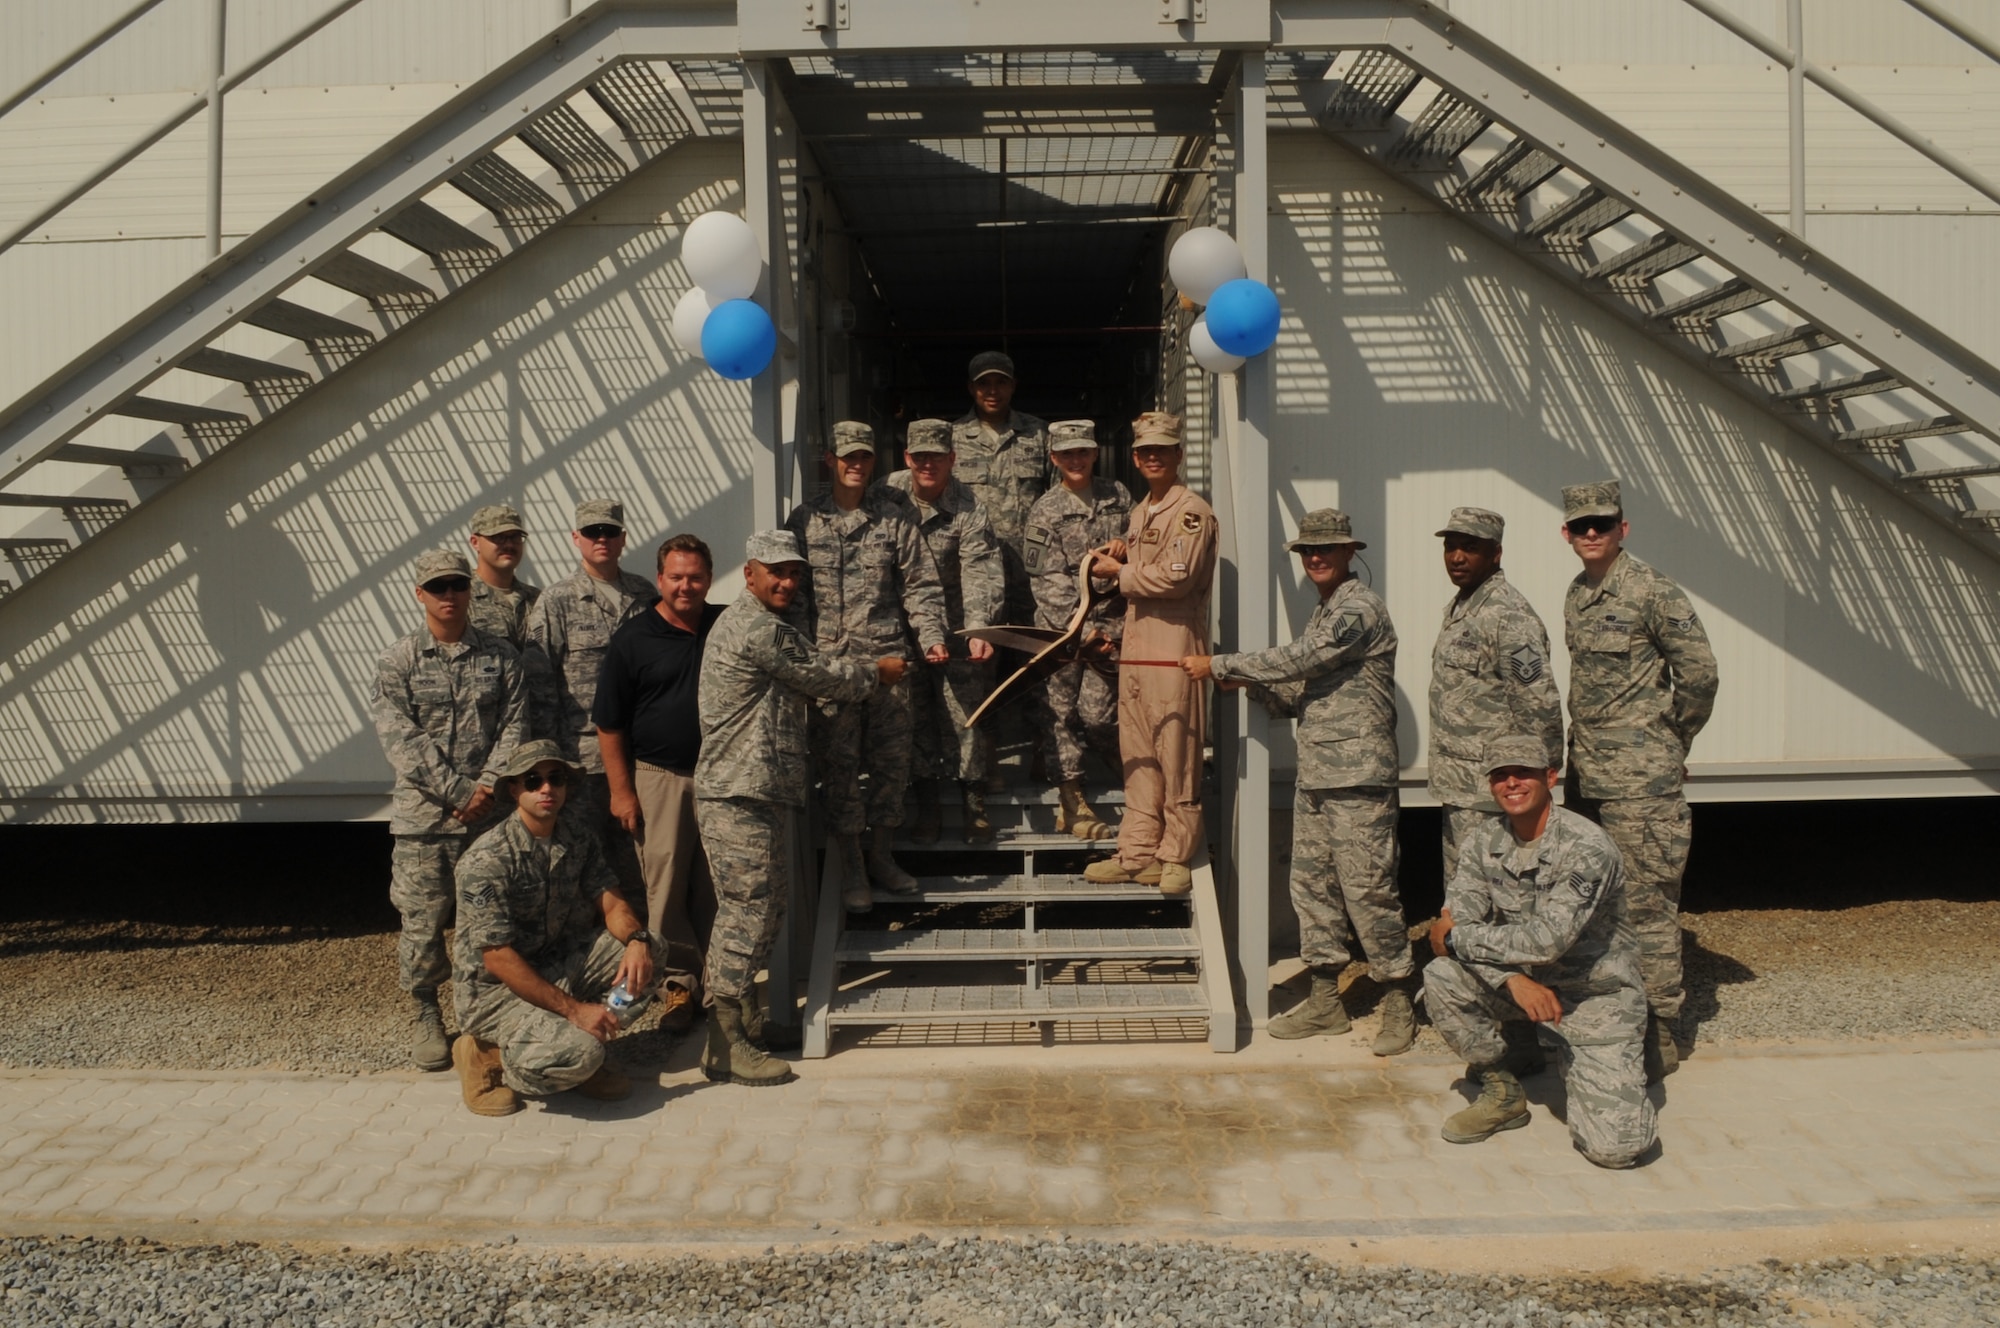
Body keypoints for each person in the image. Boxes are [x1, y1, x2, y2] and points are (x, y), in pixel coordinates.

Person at [1184, 509, 1415, 1054]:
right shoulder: (1324, 611)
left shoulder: (1357, 610)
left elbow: (1303, 659)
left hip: (1358, 777)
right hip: (1318, 775)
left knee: (1368, 890)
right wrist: (1246, 684)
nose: (1316, 558)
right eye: (1308, 552)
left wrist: (1220, 664)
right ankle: (1325, 1001)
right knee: (1312, 890)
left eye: (1326, 550)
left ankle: (1400, 996)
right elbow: (1304, 692)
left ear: (1348, 553)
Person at [696, 530, 904, 1085]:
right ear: (750, 574)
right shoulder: (759, 628)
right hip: (739, 791)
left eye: (794, 574)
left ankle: (742, 1022)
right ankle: (723, 1040)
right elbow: (823, 675)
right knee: (746, 912)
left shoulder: (769, 626)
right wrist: (876, 675)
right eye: (776, 572)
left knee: (765, 910)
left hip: (758, 789)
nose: (786, 582)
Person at [1424, 735, 1657, 1170]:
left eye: (1523, 773)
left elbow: (1545, 940)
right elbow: (1457, 930)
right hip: (1524, 987)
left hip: (1594, 996)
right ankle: (1504, 1088)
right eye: (1499, 776)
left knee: (1617, 1151)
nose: (1510, 783)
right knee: (1441, 977)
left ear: (1550, 777)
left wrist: (1457, 939)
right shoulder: (1481, 843)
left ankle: (1609, 1053)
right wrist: (1512, 979)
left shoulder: (1587, 846)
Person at [1559, 480, 1719, 1081]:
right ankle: (1608, 1010)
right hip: (1588, 778)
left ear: (1624, 528)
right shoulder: (1578, 593)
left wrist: (1674, 739)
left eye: (1602, 523)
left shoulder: (1652, 590)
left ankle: (1659, 1028)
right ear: (1567, 534)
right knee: (1594, 904)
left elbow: (1700, 673)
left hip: (1641, 786)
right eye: (1581, 526)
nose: (1591, 533)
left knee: (1648, 908)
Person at [448, 739, 669, 1117]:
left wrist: (636, 939)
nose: (546, 788)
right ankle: (486, 1053)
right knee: (578, 1055)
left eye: (556, 778)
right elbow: (498, 958)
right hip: (495, 994)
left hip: (554, 965)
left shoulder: (576, 837)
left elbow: (612, 902)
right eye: (532, 780)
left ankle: (585, 1045)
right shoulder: (486, 860)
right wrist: (574, 1011)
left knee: (654, 949)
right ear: (515, 790)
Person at [369, 548, 529, 1071]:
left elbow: (514, 727)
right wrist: (459, 792)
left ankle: (483, 1012)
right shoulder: (398, 661)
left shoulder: (501, 656)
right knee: (424, 922)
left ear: (469, 591)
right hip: (426, 823)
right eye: (438, 587)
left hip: (489, 818)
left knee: (488, 920)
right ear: (420, 594)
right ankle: (425, 1011)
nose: (449, 595)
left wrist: (485, 787)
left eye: (457, 585)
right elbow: (401, 739)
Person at [783, 422, 949, 912]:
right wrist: (801, 661)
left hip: (889, 662)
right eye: (846, 457)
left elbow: (920, 585)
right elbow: (793, 598)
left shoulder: (894, 518)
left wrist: (932, 636)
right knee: (839, 768)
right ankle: (852, 865)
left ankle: (881, 856)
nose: (855, 465)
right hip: (830, 669)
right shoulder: (804, 521)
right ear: (830, 460)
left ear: (873, 462)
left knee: (890, 765)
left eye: (863, 458)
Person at [1081, 412, 1218, 898]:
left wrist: (1119, 572)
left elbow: (1176, 579)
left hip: (1174, 642)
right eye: (1144, 451)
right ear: (1136, 458)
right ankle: (1137, 850)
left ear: (1179, 454)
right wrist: (1125, 554)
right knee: (1137, 751)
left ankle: (1175, 854)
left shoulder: (1190, 511)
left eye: (1163, 448)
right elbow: (1147, 568)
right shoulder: (1142, 511)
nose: (1153, 456)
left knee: (1176, 750)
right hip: (1138, 644)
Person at [593, 533, 724, 1034]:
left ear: (709, 579)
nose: (685, 586)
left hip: (720, 779)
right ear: (660, 579)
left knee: (715, 885)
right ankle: (678, 987)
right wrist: (622, 791)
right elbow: (610, 724)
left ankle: (720, 990)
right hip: (660, 778)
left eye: (695, 577)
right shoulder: (633, 639)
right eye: (676, 577)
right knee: (665, 888)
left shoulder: (725, 625)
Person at [525, 499, 657, 905]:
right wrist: (549, 764)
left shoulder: (645, 595)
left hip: (643, 754)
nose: (602, 539)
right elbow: (539, 684)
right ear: (575, 538)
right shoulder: (556, 601)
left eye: (610, 531)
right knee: (582, 861)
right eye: (593, 532)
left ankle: (640, 949)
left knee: (640, 861)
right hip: (580, 760)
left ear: (623, 539)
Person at [881, 418, 1005, 843]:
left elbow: (980, 569)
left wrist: (978, 628)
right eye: (919, 457)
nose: (927, 465)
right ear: (907, 458)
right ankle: (927, 805)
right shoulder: (886, 496)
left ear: (952, 458)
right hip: (900, 622)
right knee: (912, 714)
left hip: (957, 622)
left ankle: (974, 804)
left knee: (962, 712)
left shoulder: (969, 506)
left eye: (937, 457)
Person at [1428, 506, 1563, 880]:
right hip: (1462, 788)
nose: (1456, 557)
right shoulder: (1463, 608)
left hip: (1495, 792)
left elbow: (1539, 705)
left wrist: (1540, 780)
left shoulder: (1508, 615)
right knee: (1465, 891)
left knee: (1500, 891)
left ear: (1495, 554)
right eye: (1451, 547)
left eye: (1469, 547)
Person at [1024, 418, 1131, 841]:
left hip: (1114, 626)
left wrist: (1127, 546)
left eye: (1082, 451)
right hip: (1062, 632)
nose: (1076, 459)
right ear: (1054, 458)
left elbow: (1143, 540)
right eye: (1067, 453)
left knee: (1100, 715)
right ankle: (1072, 801)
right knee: (1060, 715)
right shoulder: (1045, 510)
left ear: (1095, 452)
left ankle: (1130, 777)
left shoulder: (1118, 495)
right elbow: (1045, 579)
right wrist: (1080, 628)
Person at [950, 350, 1050, 633]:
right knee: (978, 653)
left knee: (1032, 653)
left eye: (1001, 382)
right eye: (984, 384)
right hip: (974, 569)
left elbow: (1058, 497)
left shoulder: (1039, 433)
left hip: (1030, 568)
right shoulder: (952, 437)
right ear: (971, 388)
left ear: (1013, 385)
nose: (992, 391)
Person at [465, 503, 541, 650]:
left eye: (515, 537)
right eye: (498, 537)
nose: (509, 545)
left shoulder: (538, 599)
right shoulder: (461, 597)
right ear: (475, 542)